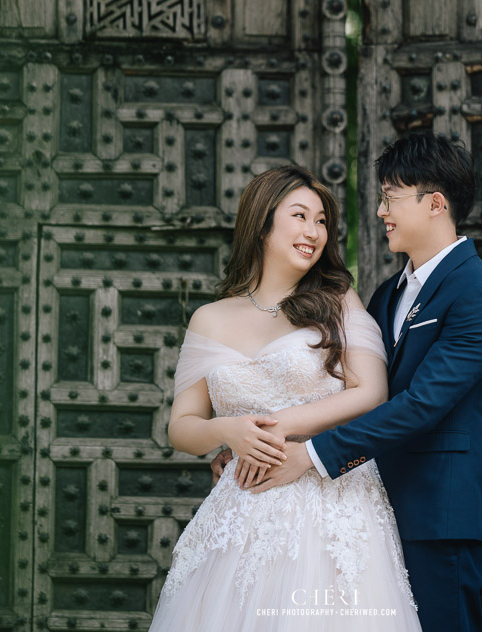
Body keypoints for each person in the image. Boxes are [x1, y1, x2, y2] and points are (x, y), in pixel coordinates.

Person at [228, 133, 482, 632]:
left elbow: (423, 404)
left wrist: (311, 456)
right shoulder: (385, 294)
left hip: (436, 514)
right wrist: (254, 443)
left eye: (390, 198)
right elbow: (340, 388)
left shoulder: (480, 293)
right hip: (364, 515)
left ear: (435, 204)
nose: (381, 211)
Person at [149, 164, 421, 631]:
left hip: (330, 502)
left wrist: (275, 424)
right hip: (241, 508)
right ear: (262, 222)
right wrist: (226, 430)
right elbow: (182, 427)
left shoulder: (338, 300)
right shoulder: (209, 319)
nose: (313, 231)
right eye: (300, 216)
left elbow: (372, 392)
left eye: (321, 221)